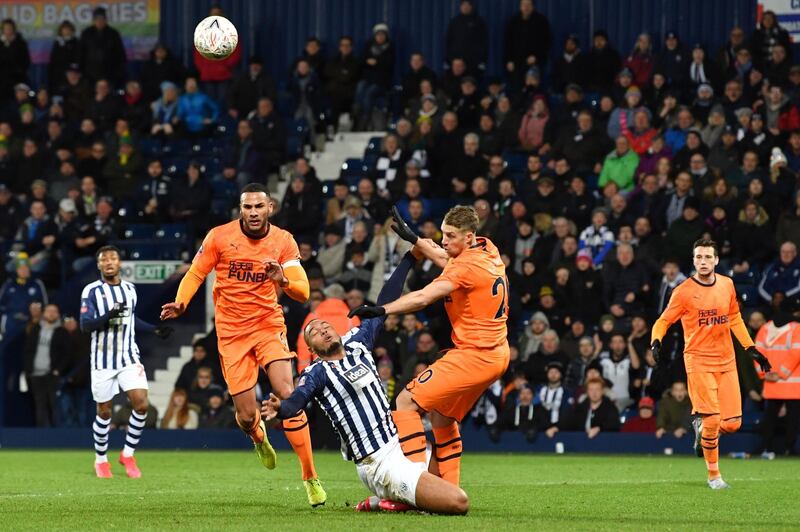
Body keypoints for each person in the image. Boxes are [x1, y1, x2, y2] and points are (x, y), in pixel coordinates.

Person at [262, 251, 469, 514]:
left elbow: (384, 304)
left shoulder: (357, 342)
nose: (322, 329)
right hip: (378, 462)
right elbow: (296, 403)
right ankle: (388, 497)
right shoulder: (317, 372)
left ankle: (392, 502)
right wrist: (281, 408)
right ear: (311, 348)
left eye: (325, 325)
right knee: (458, 503)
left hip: (403, 443)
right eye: (313, 332)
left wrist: (411, 256)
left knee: (446, 473)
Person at [160, 183, 326, 507]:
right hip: (231, 333)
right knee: (248, 415)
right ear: (240, 209)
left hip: (267, 325)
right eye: (247, 207)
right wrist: (181, 302)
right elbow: (196, 273)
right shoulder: (219, 237)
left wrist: (283, 281)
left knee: (288, 394)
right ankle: (258, 436)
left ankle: (310, 476)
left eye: (258, 207)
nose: (253, 212)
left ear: (270, 208)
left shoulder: (283, 241)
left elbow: (304, 292)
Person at [349, 205, 510, 487]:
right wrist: (415, 238)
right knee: (442, 418)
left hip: (475, 355)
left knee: (405, 402)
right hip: (497, 353)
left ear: (469, 237)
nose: (444, 241)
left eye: (450, 236)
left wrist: (383, 310)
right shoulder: (488, 250)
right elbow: (443, 256)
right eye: (442, 234)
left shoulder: (465, 266)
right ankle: (448, 489)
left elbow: (424, 297)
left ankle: (414, 485)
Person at [650, 238, 772, 489]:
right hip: (698, 360)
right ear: (693, 260)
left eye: (708, 257)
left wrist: (751, 348)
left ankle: (702, 428)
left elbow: (735, 318)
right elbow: (663, 321)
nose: (703, 262)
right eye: (698, 257)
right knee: (714, 419)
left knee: (733, 423)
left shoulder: (727, 284)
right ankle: (714, 476)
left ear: (716, 260)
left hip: (726, 361)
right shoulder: (683, 291)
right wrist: (656, 341)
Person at [79, 246, 173, 478]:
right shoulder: (91, 291)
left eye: (113, 258)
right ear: (99, 265)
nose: (109, 262)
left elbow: (130, 319)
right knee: (104, 412)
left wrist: (154, 330)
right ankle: (101, 460)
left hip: (129, 357)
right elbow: (85, 324)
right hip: (103, 360)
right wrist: (107, 316)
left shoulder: (130, 290)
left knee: (141, 404)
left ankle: (127, 454)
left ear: (120, 263)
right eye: (104, 260)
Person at [754, 301, 800, 456]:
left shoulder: (765, 328)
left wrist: (765, 373)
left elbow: (757, 353)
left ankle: (765, 447)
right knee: (792, 420)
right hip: (791, 383)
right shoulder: (796, 328)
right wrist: (781, 373)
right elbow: (796, 353)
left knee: (770, 418)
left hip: (771, 382)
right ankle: (788, 448)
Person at [23, 303, 63, 427]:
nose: (51, 314)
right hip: (35, 373)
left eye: (54, 311)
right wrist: (27, 370)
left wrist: (58, 369)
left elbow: (66, 353)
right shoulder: (35, 328)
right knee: (39, 405)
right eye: (48, 311)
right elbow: (27, 350)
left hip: (52, 374)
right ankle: (42, 436)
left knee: (54, 404)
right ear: (43, 313)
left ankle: (57, 435)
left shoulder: (61, 331)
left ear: (58, 314)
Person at [78, 7, 126, 85]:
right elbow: (80, 53)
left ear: (106, 20)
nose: (100, 22)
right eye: (97, 19)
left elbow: (120, 53)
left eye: (102, 19)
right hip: (90, 73)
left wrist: (119, 71)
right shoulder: (86, 33)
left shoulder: (113, 33)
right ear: (94, 20)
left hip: (109, 72)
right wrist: (81, 70)